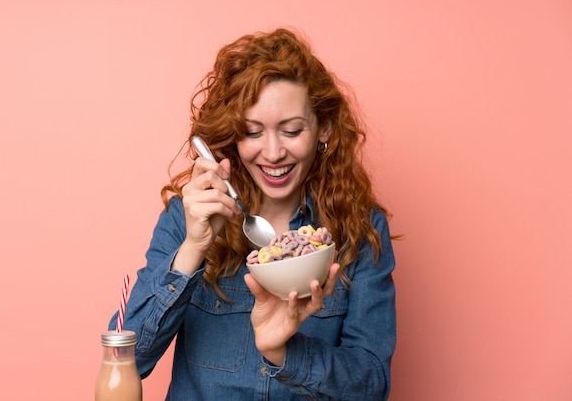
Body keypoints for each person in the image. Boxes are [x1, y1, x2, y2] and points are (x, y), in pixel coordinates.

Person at [109, 27, 396, 400]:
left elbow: (372, 384)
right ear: (234, 135)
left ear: (323, 128)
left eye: (292, 130)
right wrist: (194, 248)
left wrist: (284, 353)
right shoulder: (187, 216)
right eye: (253, 132)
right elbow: (125, 357)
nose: (273, 153)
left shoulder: (361, 229)